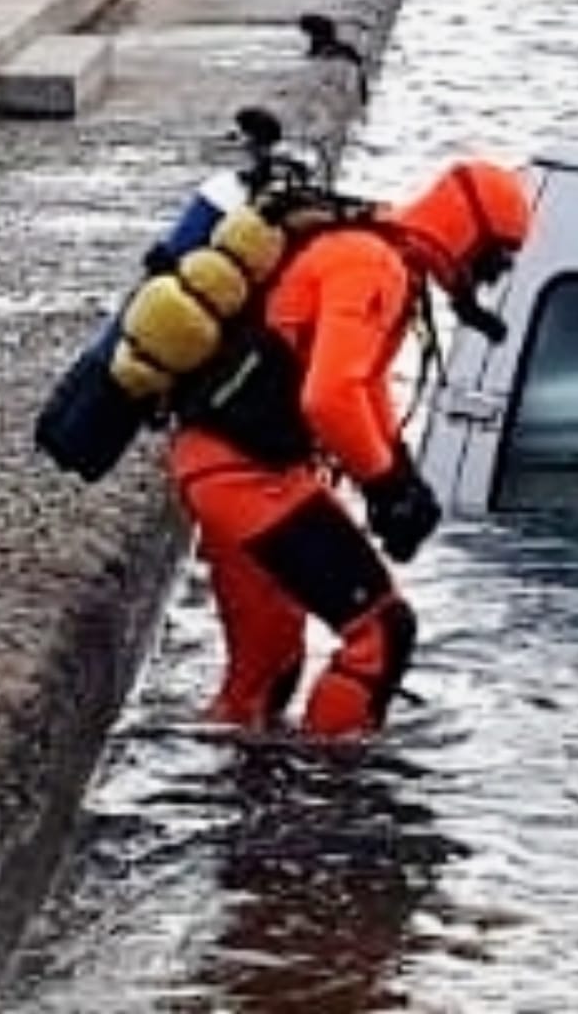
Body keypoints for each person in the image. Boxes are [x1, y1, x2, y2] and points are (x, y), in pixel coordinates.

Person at [170, 159, 532, 738]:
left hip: (218, 463)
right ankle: (339, 796)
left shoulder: (372, 249)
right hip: (248, 475)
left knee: (263, 676)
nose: (487, 278)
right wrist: (386, 485)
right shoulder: (374, 265)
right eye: (494, 259)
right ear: (467, 232)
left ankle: (243, 800)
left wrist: (402, 476)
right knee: (382, 633)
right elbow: (331, 397)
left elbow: (361, 386)